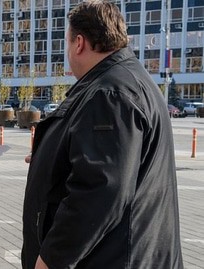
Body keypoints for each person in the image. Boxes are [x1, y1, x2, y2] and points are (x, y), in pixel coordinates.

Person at [22, 1, 183, 269]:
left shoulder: (109, 94)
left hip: (112, 258)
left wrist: (52, 258)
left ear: (79, 43)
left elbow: (99, 189)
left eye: (67, 42)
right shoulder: (127, 80)